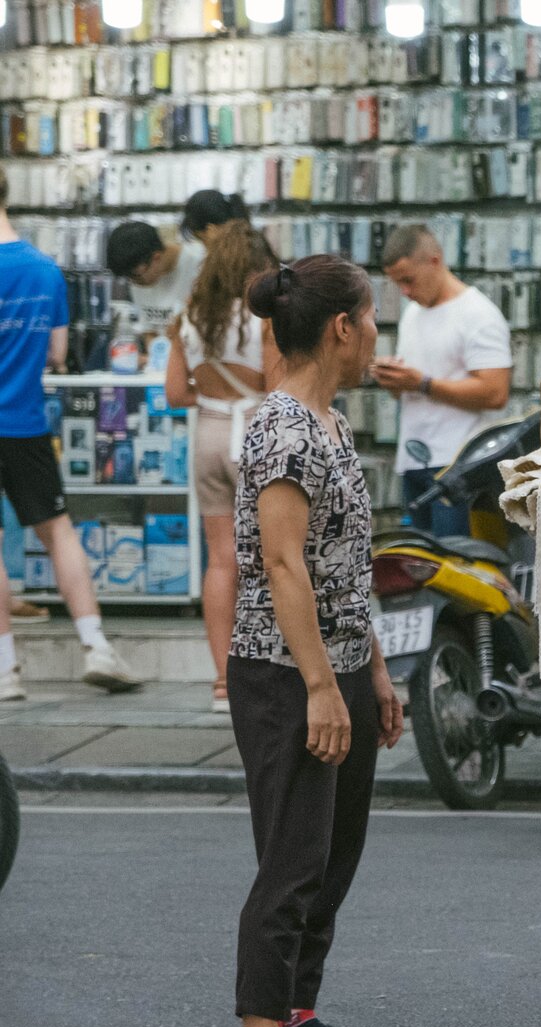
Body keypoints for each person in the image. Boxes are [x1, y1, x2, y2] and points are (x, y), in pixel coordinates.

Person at [224, 254, 403, 1027]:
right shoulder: (284, 430)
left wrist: (373, 670)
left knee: (333, 855)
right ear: (341, 328)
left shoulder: (330, 424)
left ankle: (299, 1015)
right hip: (283, 673)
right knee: (293, 857)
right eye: (371, 322)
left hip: (340, 665)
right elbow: (284, 566)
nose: (375, 338)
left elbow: (342, 568)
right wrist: (322, 688)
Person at [0, 170, 142, 698]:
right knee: (58, 530)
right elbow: (58, 354)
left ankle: (5, 670)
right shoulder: (44, 270)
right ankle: (96, 645)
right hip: (25, 423)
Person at [165, 222, 281, 712]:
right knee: (276, 557)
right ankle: (273, 670)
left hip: (209, 436)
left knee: (220, 560)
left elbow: (175, 394)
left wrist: (212, 399)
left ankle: (222, 682)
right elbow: (278, 387)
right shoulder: (264, 320)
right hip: (257, 432)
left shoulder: (188, 319)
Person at [371, 225, 511, 536]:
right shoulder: (413, 314)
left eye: (408, 280)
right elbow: (415, 387)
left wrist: (422, 383)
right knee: (419, 560)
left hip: (458, 467)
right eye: (397, 284)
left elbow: (495, 392)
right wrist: (395, 381)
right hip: (414, 460)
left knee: (457, 561)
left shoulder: (478, 314)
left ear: (434, 261)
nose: (405, 292)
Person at [106, 220, 207, 339]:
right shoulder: (137, 275)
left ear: (156, 257)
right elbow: (150, 330)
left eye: (136, 277)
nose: (133, 283)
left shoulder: (200, 263)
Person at [181, 189, 248, 243]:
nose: (204, 247)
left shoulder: (224, 254)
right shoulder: (245, 245)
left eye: (202, 240)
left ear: (210, 230)